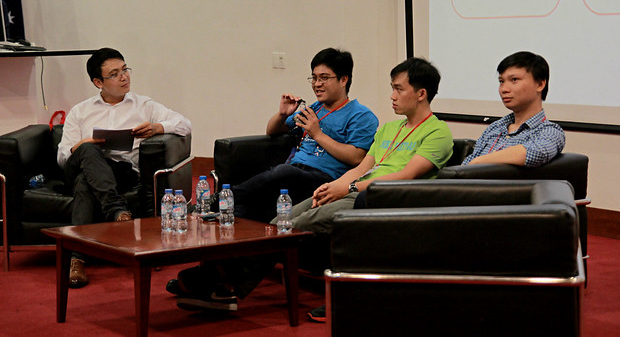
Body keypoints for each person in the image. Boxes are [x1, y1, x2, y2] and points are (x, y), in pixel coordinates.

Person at [168, 57, 453, 316]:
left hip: (384, 197)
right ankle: (220, 281)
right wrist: (333, 187)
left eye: (399, 89)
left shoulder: (438, 132)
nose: (392, 96)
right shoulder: (391, 129)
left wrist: (350, 189)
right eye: (392, 88)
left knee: (291, 226)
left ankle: (226, 287)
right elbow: (361, 167)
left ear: (421, 93)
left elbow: (405, 176)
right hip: (355, 189)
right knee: (277, 220)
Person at [57, 47, 191, 288]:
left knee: (85, 183)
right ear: (98, 82)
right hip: (78, 165)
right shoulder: (80, 111)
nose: (124, 77)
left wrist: (158, 127)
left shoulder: (143, 105)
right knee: (88, 153)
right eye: (115, 73)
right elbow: (63, 157)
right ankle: (118, 211)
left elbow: (184, 124)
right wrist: (84, 144)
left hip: (121, 172)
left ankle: (76, 260)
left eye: (125, 69)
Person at [231, 47, 379, 223]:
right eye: (314, 78)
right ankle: (232, 213)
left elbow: (356, 157)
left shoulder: (361, 115)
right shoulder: (314, 108)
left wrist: (317, 134)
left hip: (326, 178)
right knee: (249, 206)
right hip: (295, 170)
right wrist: (282, 114)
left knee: (282, 172)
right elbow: (272, 131)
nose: (317, 84)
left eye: (324, 78)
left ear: (343, 80)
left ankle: (221, 200)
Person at [462, 51, 565, 167]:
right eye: (501, 81)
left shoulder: (549, 131)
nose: (504, 89)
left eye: (514, 80)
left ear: (540, 84)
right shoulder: (495, 128)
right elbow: (466, 164)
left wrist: (477, 162)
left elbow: (534, 153)